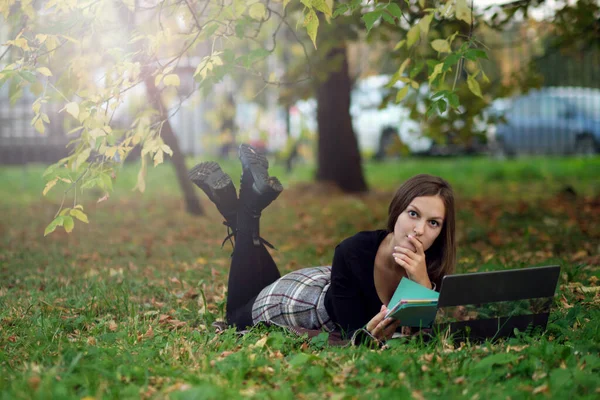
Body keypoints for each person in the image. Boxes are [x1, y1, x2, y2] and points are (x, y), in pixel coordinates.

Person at [189, 144, 456, 344]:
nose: (419, 230)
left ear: (442, 231)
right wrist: (370, 335)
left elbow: (418, 340)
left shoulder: (431, 263)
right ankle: (245, 211)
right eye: (413, 214)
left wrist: (421, 284)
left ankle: (241, 209)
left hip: (325, 281)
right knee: (236, 319)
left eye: (434, 223)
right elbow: (353, 336)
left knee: (251, 282)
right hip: (295, 302)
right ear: (397, 211)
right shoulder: (354, 251)